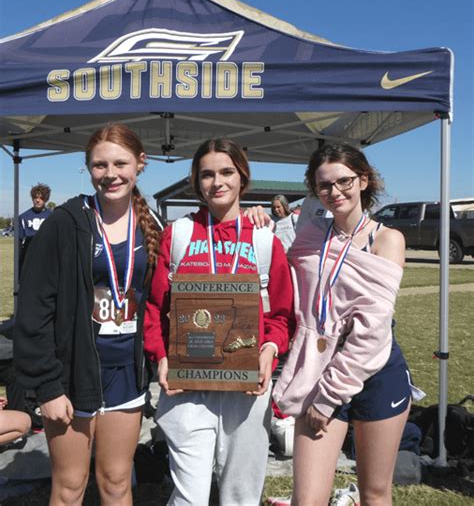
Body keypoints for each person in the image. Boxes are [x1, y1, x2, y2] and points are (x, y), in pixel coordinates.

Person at [14, 124, 162, 506]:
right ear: (88, 169)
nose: (110, 174)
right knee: (69, 487)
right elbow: (33, 309)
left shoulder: (153, 226)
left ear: (140, 164)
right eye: (99, 165)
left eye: (120, 163)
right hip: (72, 375)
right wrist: (47, 385)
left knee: (116, 482)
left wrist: (257, 215)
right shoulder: (66, 221)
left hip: (125, 376)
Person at [144, 138, 294, 505]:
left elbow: (281, 314)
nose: (217, 182)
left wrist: (270, 350)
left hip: (245, 389)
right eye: (207, 174)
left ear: (242, 177)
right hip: (187, 386)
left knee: (240, 495)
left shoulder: (263, 240)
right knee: (189, 497)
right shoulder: (177, 234)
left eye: (227, 172)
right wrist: (161, 357)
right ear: (196, 182)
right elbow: (154, 307)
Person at [273, 143, 419, 506]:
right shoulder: (308, 235)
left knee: (374, 492)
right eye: (324, 185)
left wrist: (328, 397)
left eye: (344, 181)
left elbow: (371, 332)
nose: (334, 192)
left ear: (364, 180)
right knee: (307, 499)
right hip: (318, 369)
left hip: (374, 371)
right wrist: (258, 224)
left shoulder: (388, 239)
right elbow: (276, 272)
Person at [18, 183, 52, 274]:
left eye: (41, 198)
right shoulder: (23, 217)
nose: (37, 200)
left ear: (46, 199)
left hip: (47, 260)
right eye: (35, 197)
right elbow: (19, 242)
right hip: (29, 258)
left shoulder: (52, 216)